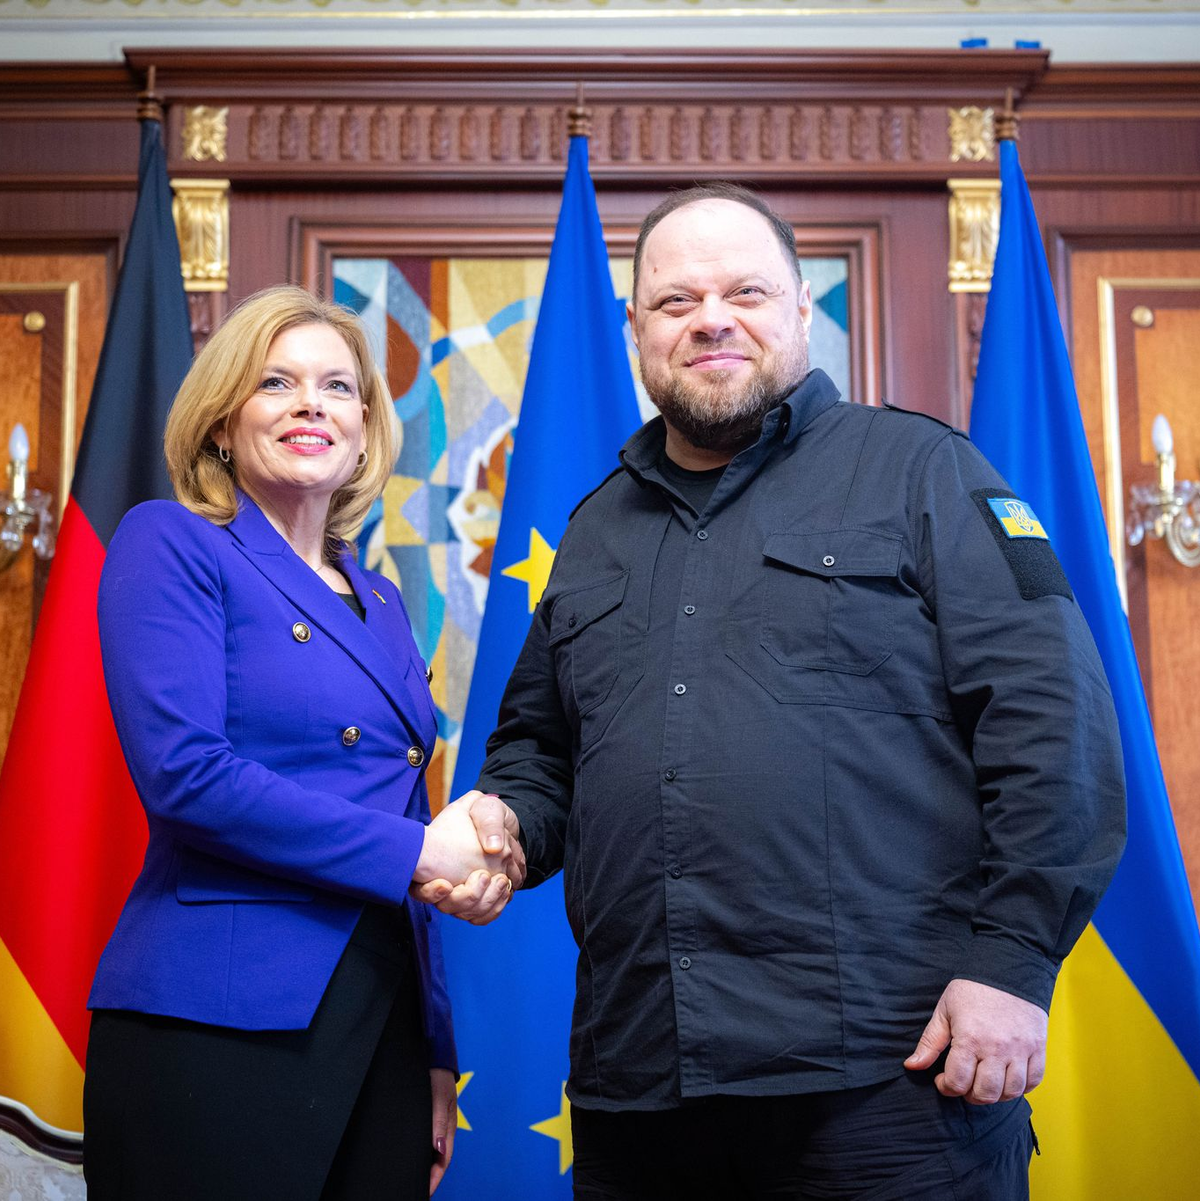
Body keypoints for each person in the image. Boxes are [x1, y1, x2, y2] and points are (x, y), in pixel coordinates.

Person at [436, 184, 1127, 1197]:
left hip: (889, 1079)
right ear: (637, 330)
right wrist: (502, 826)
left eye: (745, 290)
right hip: (643, 1092)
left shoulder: (923, 472)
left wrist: (1013, 964)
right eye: (675, 302)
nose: (711, 317)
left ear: (802, 308)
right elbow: (538, 750)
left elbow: (1054, 731)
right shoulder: (590, 533)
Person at [83, 285, 523, 1201]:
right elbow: (186, 776)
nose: (311, 404)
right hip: (218, 1020)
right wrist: (417, 852)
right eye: (276, 382)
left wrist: (435, 1047)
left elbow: (409, 810)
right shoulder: (172, 542)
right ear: (220, 423)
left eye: (336, 386)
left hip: (381, 1023)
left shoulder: (385, 600)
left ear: (365, 426)